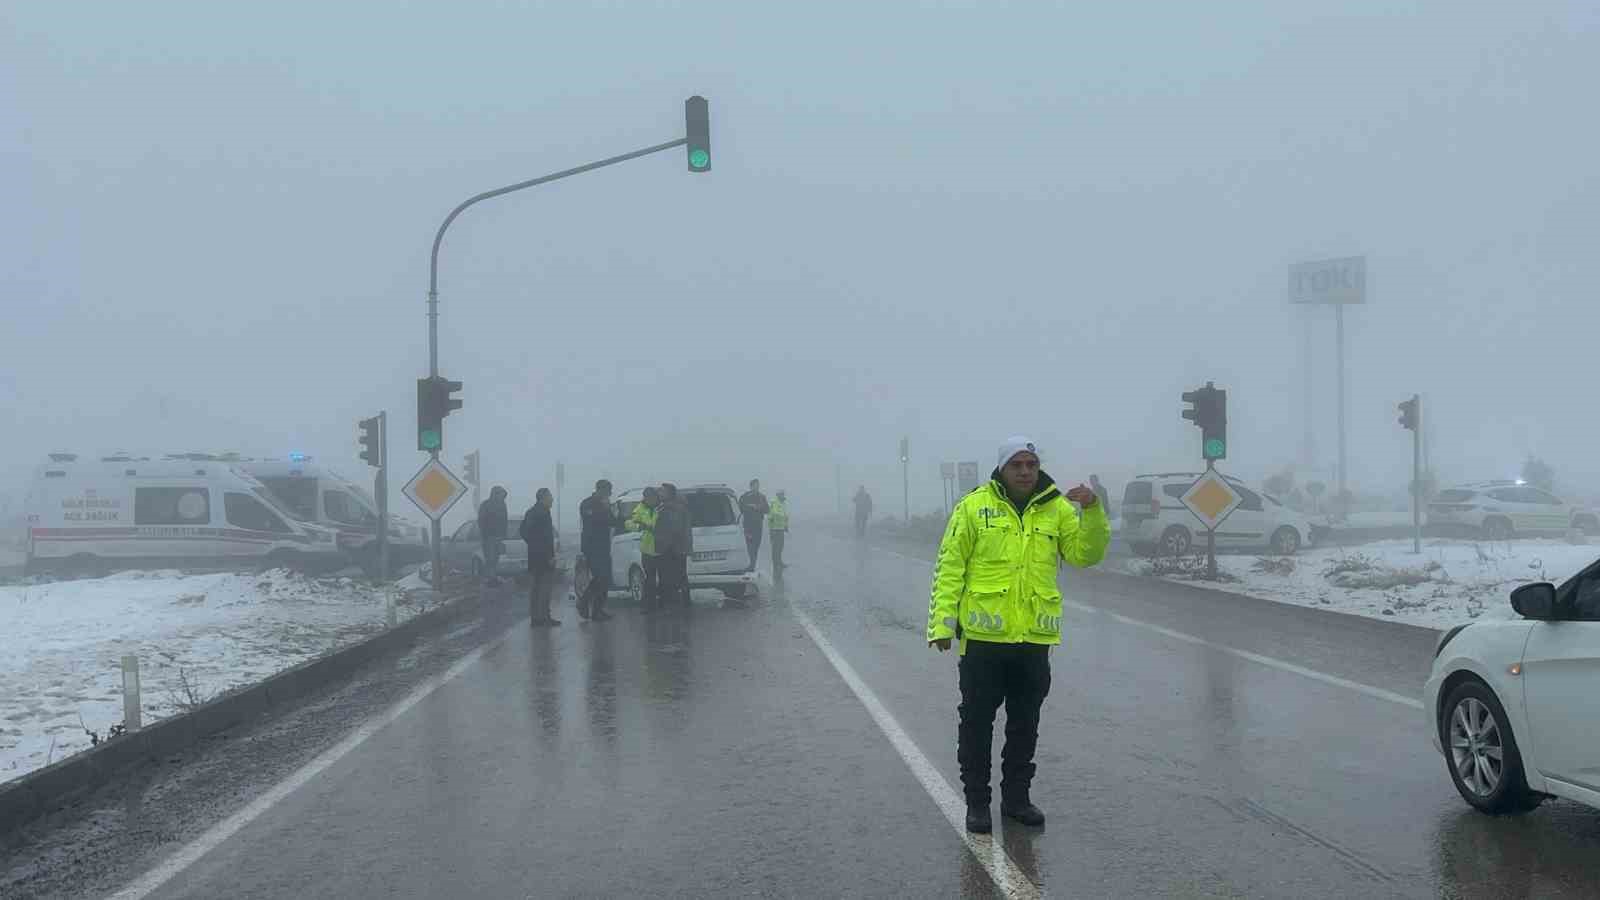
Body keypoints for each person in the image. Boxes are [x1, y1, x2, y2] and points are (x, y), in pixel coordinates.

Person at [927, 437, 1110, 835]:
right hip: (984, 641)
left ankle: (1016, 799)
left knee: (1025, 725)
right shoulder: (973, 507)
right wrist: (941, 624)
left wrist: (1093, 511)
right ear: (1002, 469)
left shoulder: (1057, 509)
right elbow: (950, 566)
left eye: (1031, 464)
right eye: (1017, 465)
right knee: (976, 724)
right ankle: (977, 802)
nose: (1025, 471)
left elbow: (1086, 555)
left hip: (1033, 641)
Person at [578, 479, 620, 621]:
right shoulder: (587, 504)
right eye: (608, 491)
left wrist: (609, 510)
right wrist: (604, 508)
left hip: (604, 546)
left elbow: (613, 522)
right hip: (591, 546)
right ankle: (583, 602)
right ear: (601, 490)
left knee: (605, 579)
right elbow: (593, 520)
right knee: (600, 576)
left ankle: (597, 610)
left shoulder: (605, 505)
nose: (610, 494)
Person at [519, 488, 559, 626]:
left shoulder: (531, 512)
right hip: (543, 557)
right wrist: (549, 556)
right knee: (544, 588)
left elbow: (523, 531)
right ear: (543, 498)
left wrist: (532, 545)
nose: (552, 499)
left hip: (534, 556)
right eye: (550, 496)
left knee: (536, 588)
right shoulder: (542, 513)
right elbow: (545, 538)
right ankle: (544, 617)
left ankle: (535, 618)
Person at [655, 483, 694, 607]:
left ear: (669, 494)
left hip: (673, 548)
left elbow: (676, 529)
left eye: (662, 491)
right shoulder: (664, 507)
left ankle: (678, 602)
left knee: (676, 576)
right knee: (677, 576)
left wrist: (663, 542)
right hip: (671, 547)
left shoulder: (675, 509)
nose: (659, 493)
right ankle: (679, 601)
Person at [627, 486, 662, 611]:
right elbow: (629, 523)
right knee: (649, 579)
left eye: (652, 497)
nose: (650, 499)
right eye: (647, 497)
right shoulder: (639, 509)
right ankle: (649, 605)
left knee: (665, 578)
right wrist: (639, 526)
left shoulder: (662, 507)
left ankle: (665, 603)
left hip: (663, 548)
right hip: (647, 549)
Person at [477, 486, 509, 586]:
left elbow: (505, 520)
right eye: (500, 494)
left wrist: (504, 534)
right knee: (490, 559)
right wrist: (485, 534)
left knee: (495, 558)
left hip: (498, 537)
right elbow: (481, 521)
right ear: (495, 494)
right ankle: (490, 579)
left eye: (503, 495)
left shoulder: (502, 505)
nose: (502, 496)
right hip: (488, 537)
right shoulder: (486, 505)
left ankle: (493, 578)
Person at [739, 479, 769, 573]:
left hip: (758, 525)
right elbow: (740, 508)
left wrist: (758, 507)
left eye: (758, 486)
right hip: (748, 525)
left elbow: (767, 510)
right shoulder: (744, 497)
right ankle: (750, 565)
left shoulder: (762, 497)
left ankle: (752, 565)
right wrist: (749, 507)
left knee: (756, 546)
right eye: (755, 486)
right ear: (751, 486)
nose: (757, 487)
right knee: (749, 546)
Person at [768, 490, 790, 580]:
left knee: (780, 546)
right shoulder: (774, 503)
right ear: (778, 495)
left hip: (781, 528)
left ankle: (779, 562)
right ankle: (775, 564)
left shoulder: (783, 503)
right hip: (774, 529)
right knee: (775, 547)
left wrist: (786, 526)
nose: (782, 496)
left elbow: (785, 516)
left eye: (783, 494)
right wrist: (771, 528)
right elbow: (771, 515)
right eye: (781, 494)